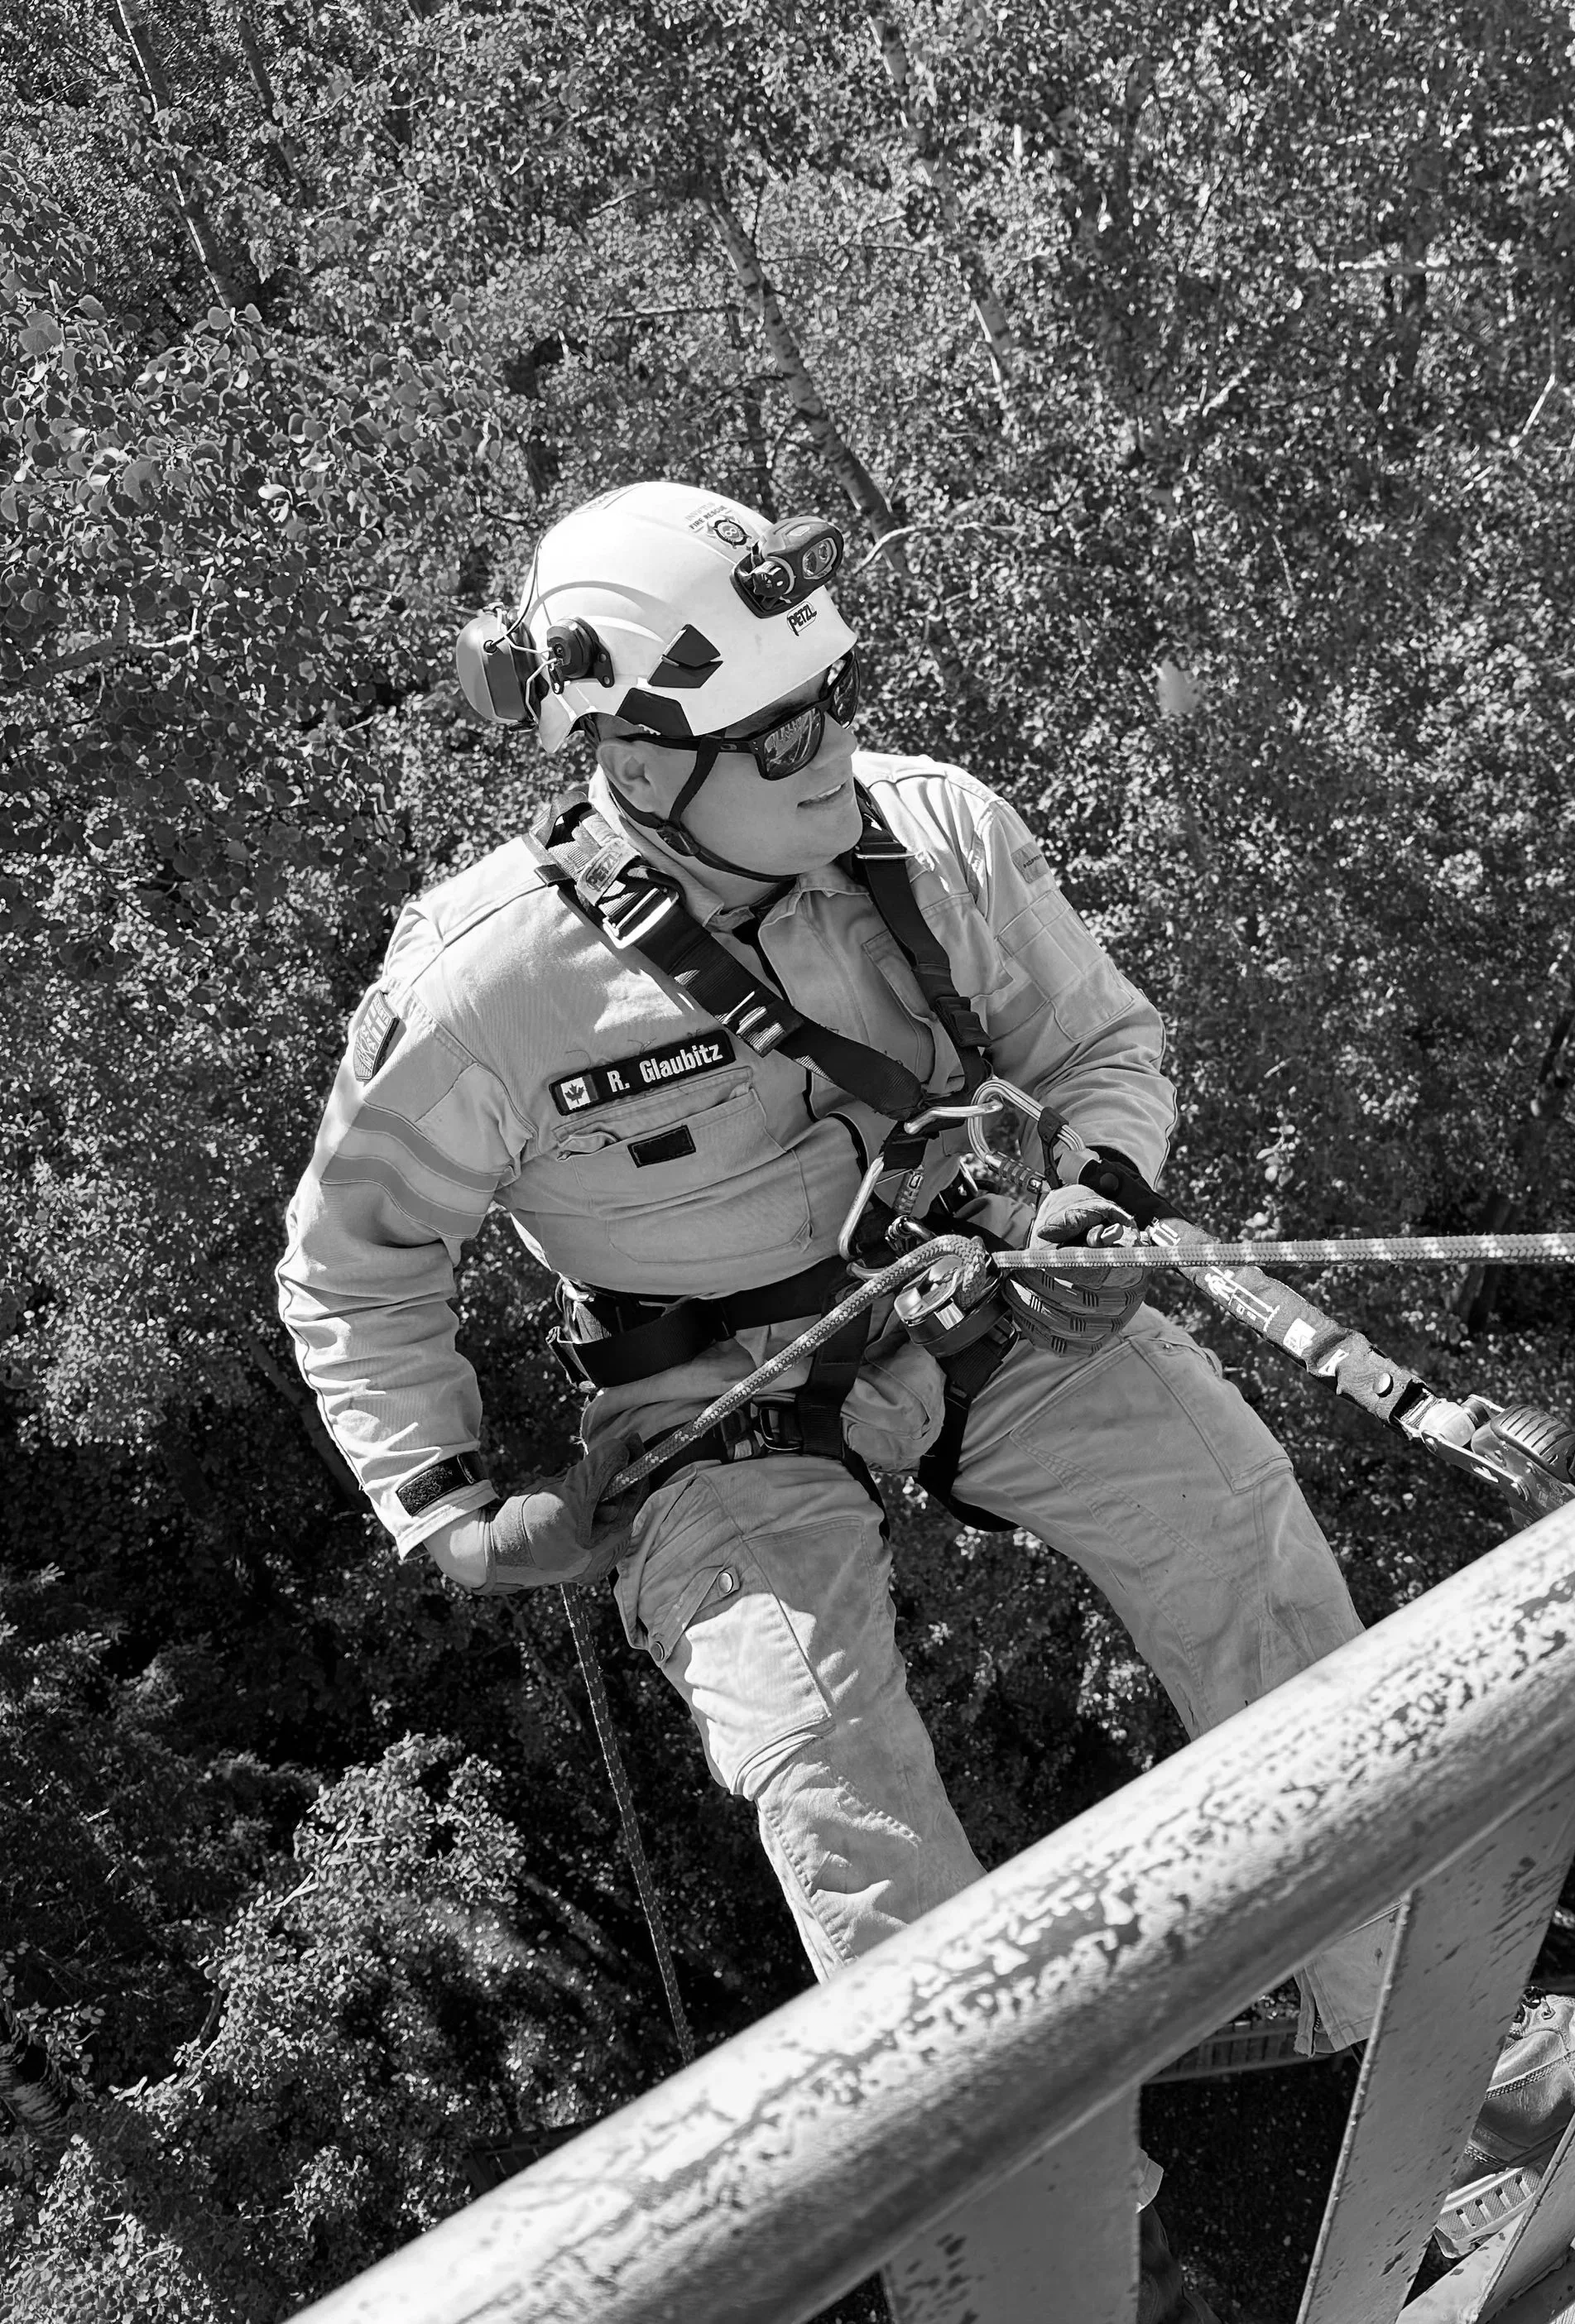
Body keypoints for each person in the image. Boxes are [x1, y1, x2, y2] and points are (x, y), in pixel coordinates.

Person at [276, 478, 1395, 2318]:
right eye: (772, 729)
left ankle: (1422, 2008)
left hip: (989, 1303)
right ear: (629, 756)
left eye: (835, 695)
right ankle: (1053, 2263)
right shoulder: (487, 988)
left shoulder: (934, 830)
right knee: (838, 1795)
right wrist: (468, 1512)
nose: (828, 749)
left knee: (1241, 1541)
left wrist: (1095, 1196)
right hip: (719, 1401)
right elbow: (352, 1269)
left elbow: (1098, 1046)